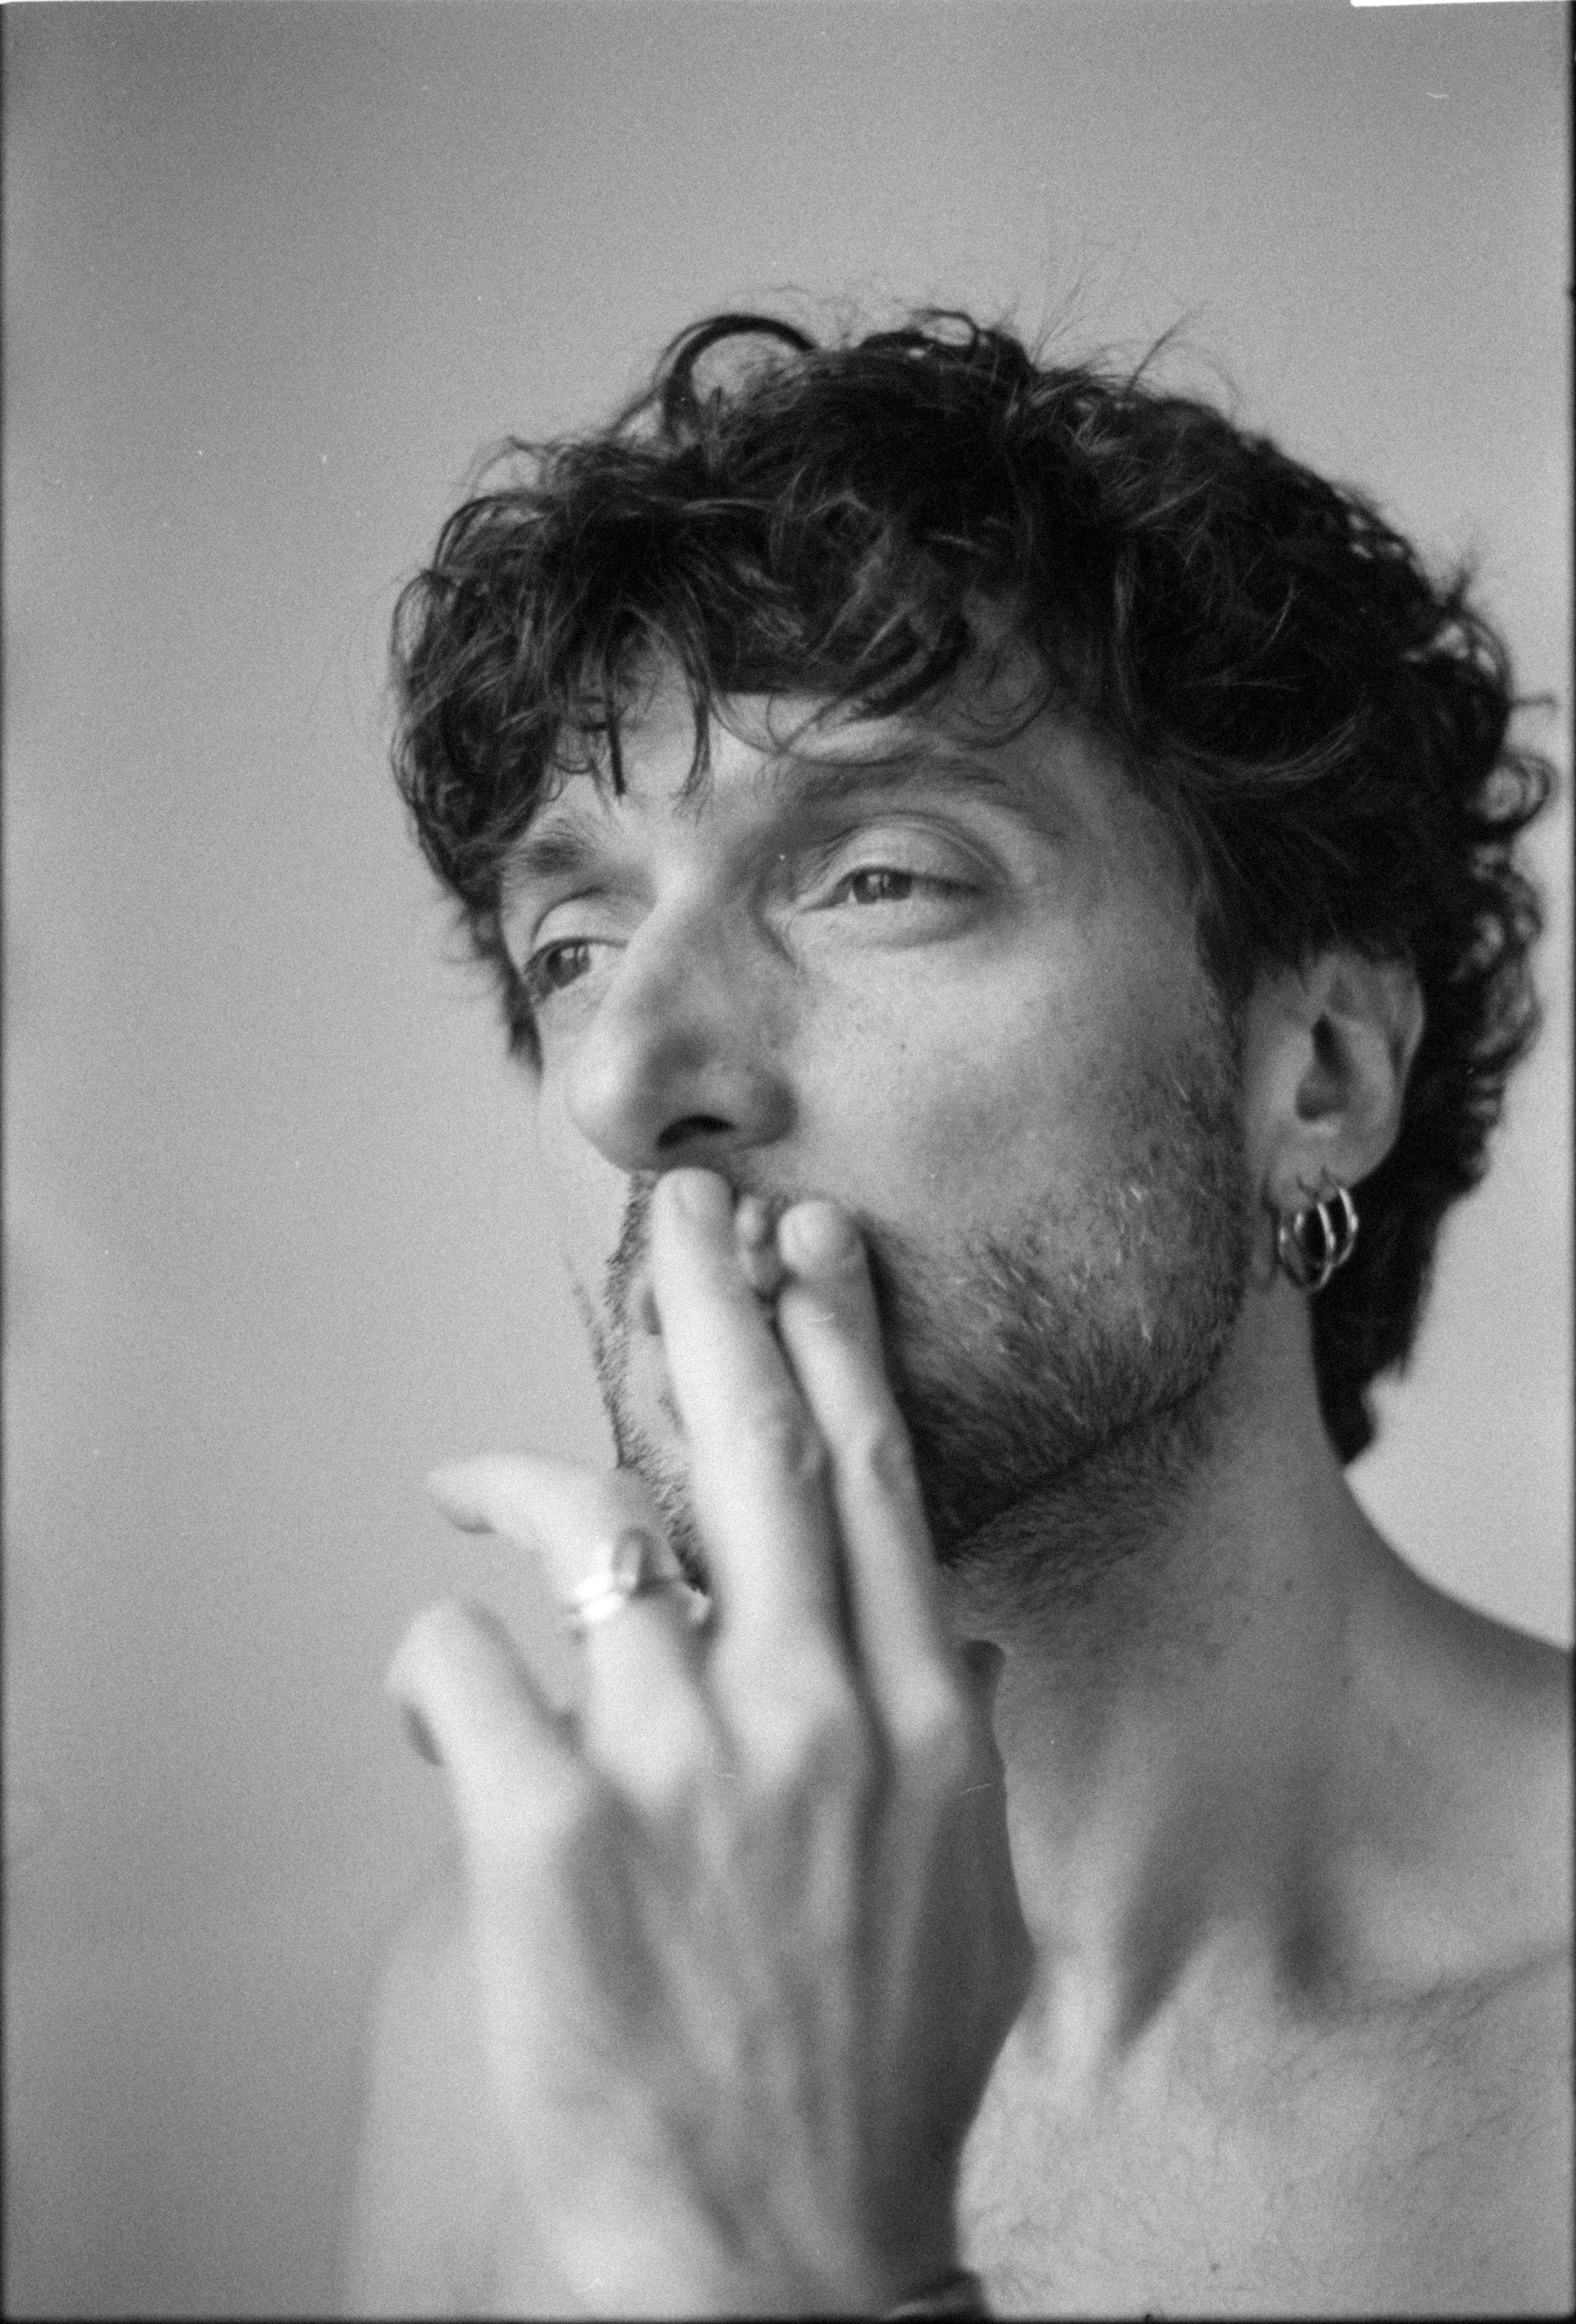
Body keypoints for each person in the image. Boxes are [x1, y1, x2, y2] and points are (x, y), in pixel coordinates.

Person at [343, 312, 1571, 2317]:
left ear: (1321, 1073)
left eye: (876, 881)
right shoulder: (511, 2004)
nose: (626, 1078)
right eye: (572, 945)